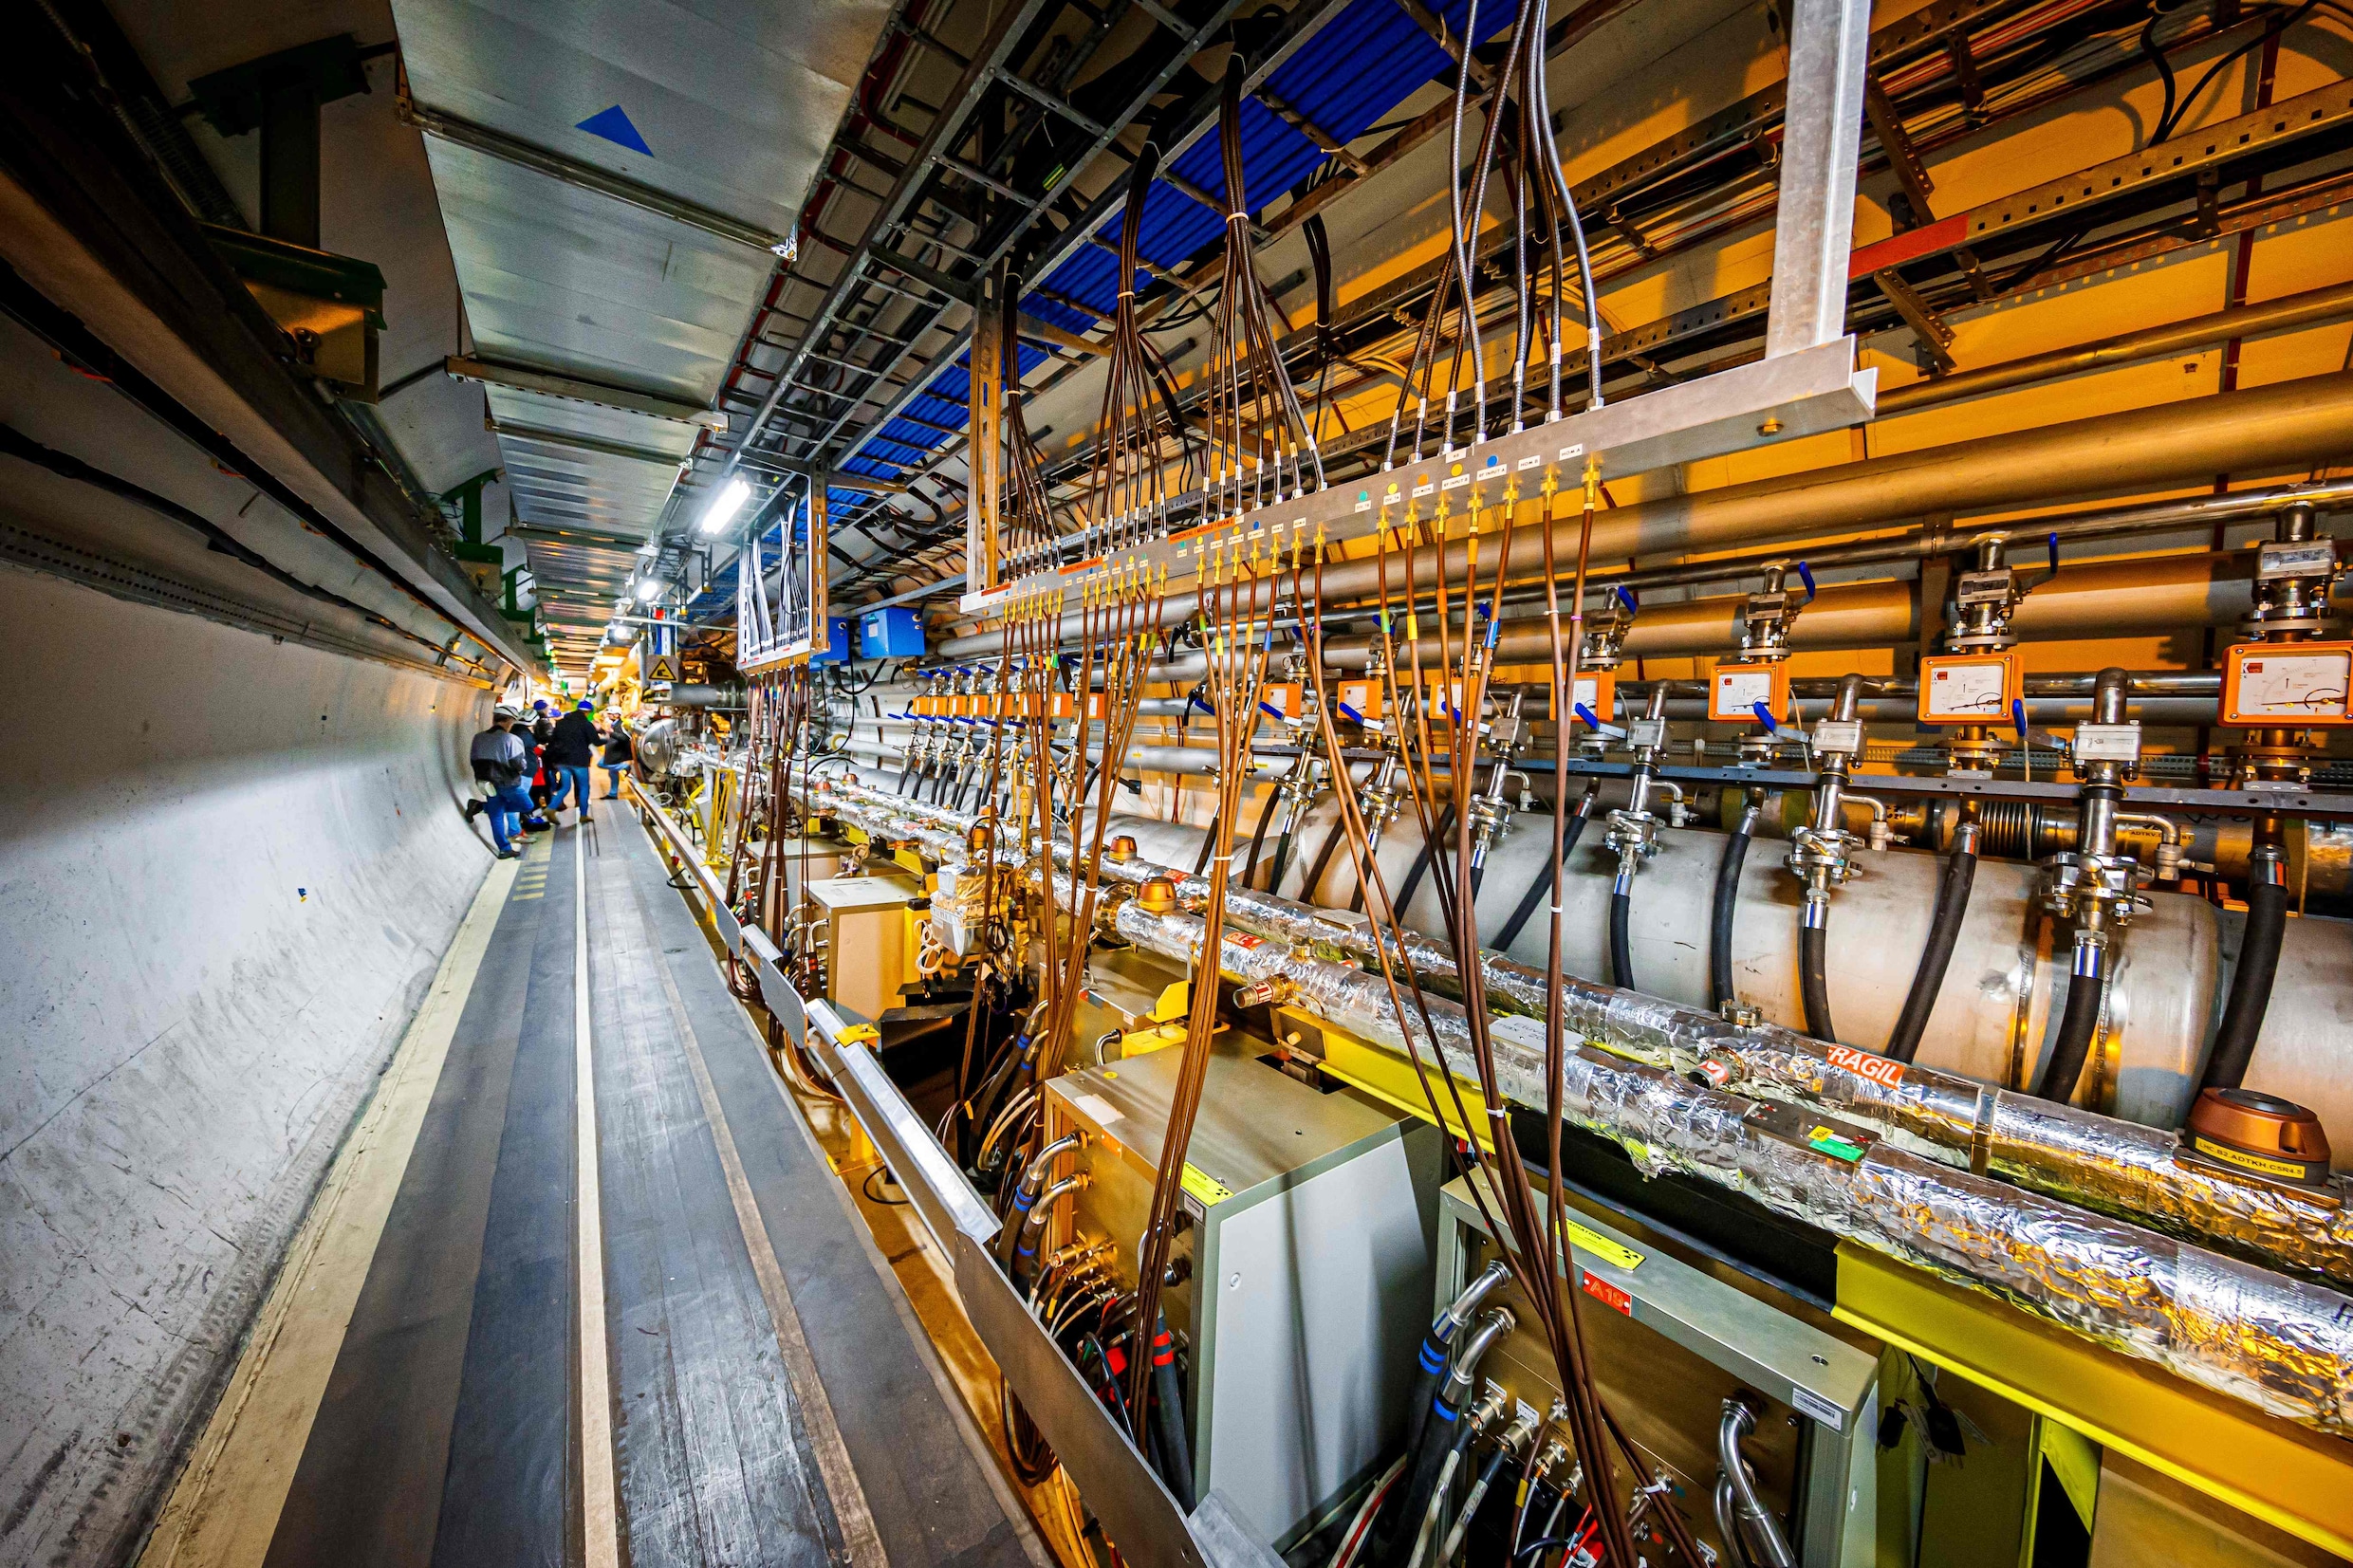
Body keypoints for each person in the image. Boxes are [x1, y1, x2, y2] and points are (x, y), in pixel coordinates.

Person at [465, 705, 536, 858]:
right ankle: (483, 807)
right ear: (510, 721)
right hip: (508, 782)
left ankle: (504, 849)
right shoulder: (511, 739)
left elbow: (473, 759)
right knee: (527, 805)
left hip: (486, 783)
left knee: (496, 815)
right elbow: (519, 764)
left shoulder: (479, 737)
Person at [547, 698, 601, 821]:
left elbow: (553, 740)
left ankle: (550, 808)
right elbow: (596, 742)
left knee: (565, 787)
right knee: (584, 787)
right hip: (579, 762)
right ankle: (583, 815)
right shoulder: (586, 724)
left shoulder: (561, 723)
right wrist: (607, 737)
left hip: (562, 760)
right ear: (588, 712)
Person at [600, 717, 634, 798]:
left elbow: (625, 738)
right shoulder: (611, 723)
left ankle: (625, 766)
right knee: (612, 773)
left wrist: (611, 733)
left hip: (617, 752)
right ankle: (613, 793)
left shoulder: (622, 724)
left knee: (601, 764)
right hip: (612, 751)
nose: (608, 715)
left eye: (610, 714)